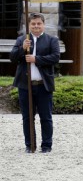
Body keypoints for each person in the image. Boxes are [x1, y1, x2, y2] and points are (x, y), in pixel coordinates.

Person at [10, 12, 60, 153]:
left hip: (43, 85)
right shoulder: (22, 40)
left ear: (43, 24)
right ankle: (29, 145)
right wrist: (22, 49)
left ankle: (46, 146)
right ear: (29, 25)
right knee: (27, 117)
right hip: (26, 86)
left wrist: (36, 59)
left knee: (46, 117)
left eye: (39, 23)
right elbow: (12, 58)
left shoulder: (52, 40)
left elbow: (55, 57)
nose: (36, 26)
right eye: (33, 24)